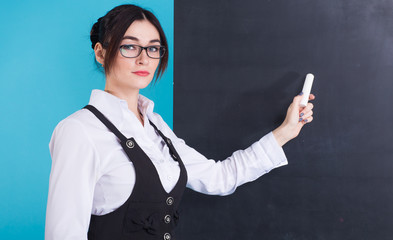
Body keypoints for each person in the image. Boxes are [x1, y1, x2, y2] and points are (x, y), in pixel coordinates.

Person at [45, 4, 315, 240]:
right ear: (101, 53)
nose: (144, 58)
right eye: (129, 46)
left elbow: (220, 177)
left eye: (153, 48)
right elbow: (64, 235)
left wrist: (285, 132)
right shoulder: (79, 131)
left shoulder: (155, 127)